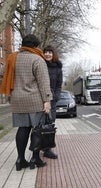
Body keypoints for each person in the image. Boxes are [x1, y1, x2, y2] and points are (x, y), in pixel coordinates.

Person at [0, 34, 52, 170]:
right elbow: (44, 82)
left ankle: (20, 159)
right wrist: (47, 100)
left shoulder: (12, 58)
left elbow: (2, 72)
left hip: (17, 100)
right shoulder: (37, 59)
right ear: (35, 46)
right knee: (37, 129)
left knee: (22, 129)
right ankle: (35, 159)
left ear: (23, 44)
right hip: (34, 100)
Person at [43, 45, 63, 159]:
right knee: (39, 125)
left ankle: (47, 149)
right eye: (46, 52)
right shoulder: (40, 64)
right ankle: (37, 147)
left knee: (50, 124)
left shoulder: (58, 68)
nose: (47, 54)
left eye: (50, 52)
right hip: (40, 99)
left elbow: (59, 85)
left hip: (52, 100)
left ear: (53, 54)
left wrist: (55, 97)